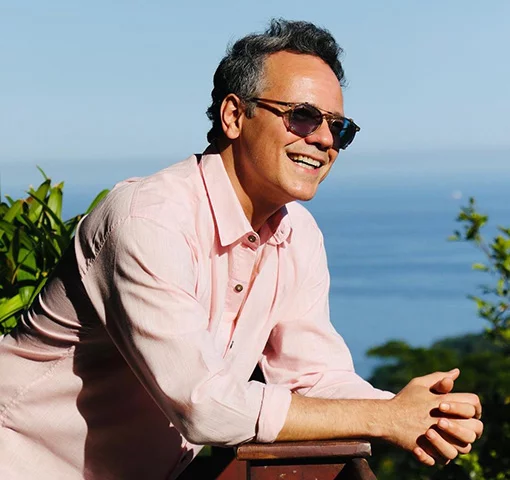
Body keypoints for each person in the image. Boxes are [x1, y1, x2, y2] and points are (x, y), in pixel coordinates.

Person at [0, 19, 482, 480]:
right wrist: (384, 419)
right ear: (234, 116)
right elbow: (203, 404)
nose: (323, 140)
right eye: (302, 116)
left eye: (339, 128)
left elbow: (312, 375)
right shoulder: (149, 220)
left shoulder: (299, 235)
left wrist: (416, 413)